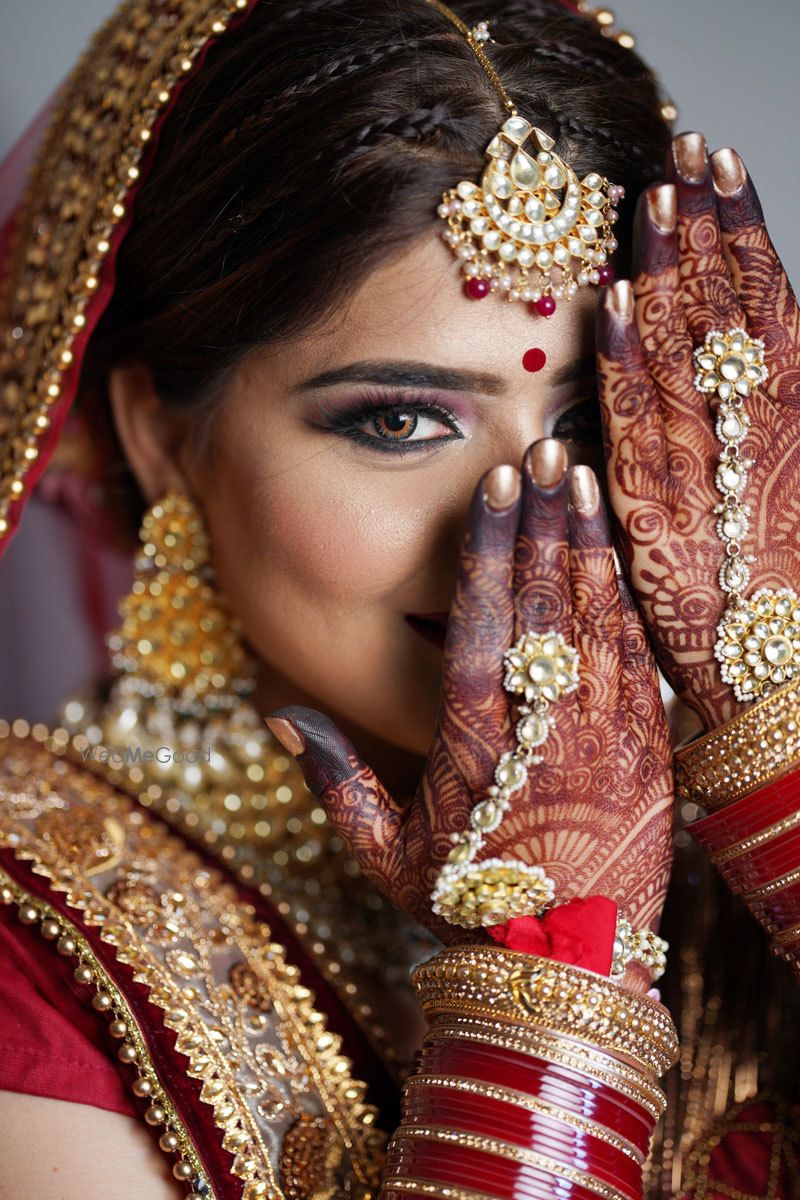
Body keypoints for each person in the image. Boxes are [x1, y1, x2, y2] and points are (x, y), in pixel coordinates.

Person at [0, 0, 797, 1197]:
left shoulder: (738, 865)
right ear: (158, 436)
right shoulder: (31, 957)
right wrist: (551, 996)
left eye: (590, 420)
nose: (533, 512)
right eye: (399, 420)